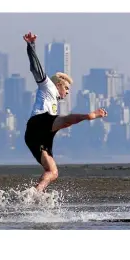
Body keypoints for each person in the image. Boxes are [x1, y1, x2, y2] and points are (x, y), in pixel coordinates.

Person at [23, 32, 108, 192]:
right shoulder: (47, 85)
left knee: (53, 172)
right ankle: (90, 116)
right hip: (38, 123)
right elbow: (35, 68)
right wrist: (31, 45)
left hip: (35, 137)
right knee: (64, 120)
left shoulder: (54, 99)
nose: (68, 92)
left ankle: (36, 192)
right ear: (58, 84)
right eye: (66, 88)